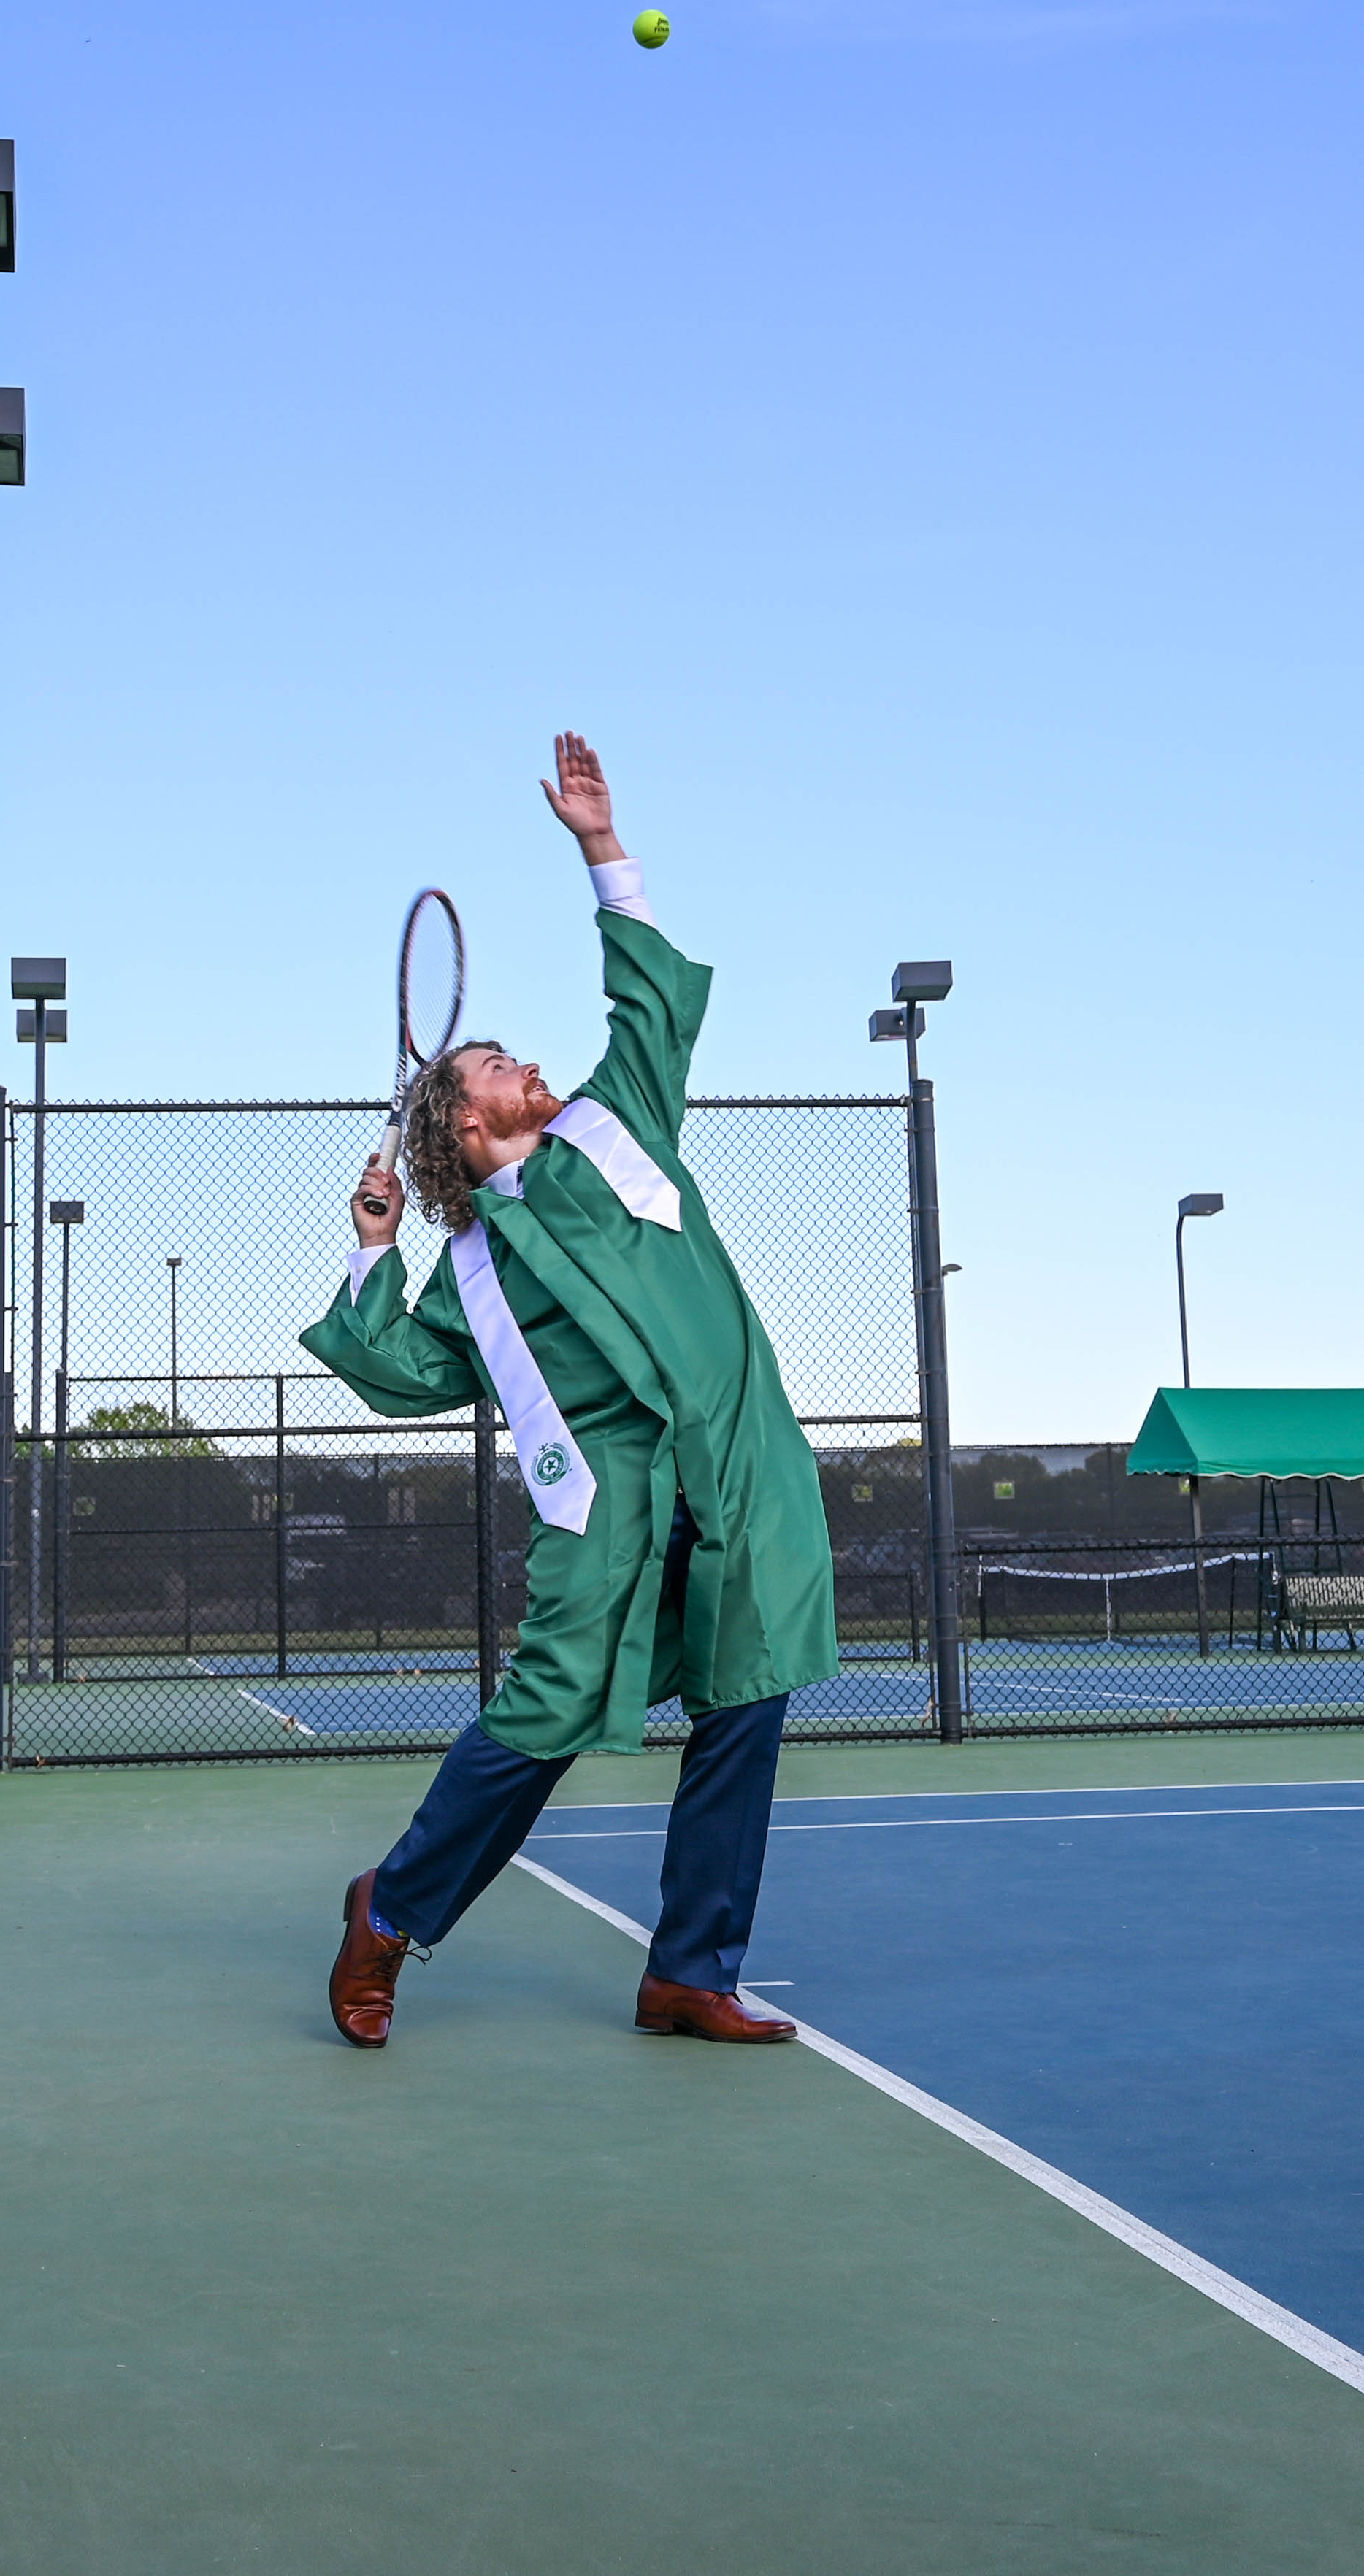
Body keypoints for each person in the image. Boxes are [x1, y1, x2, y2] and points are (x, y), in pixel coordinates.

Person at [302, 732, 841, 2048]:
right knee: (540, 1722)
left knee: (748, 1694)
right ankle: (390, 1915)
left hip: (739, 1462)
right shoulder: (471, 1266)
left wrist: (602, 845)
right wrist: (378, 1250)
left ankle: (689, 1970)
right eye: (492, 1066)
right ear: (462, 1126)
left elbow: (650, 1001)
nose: (521, 1064)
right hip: (605, 1502)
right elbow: (399, 1372)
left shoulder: (618, 1122)